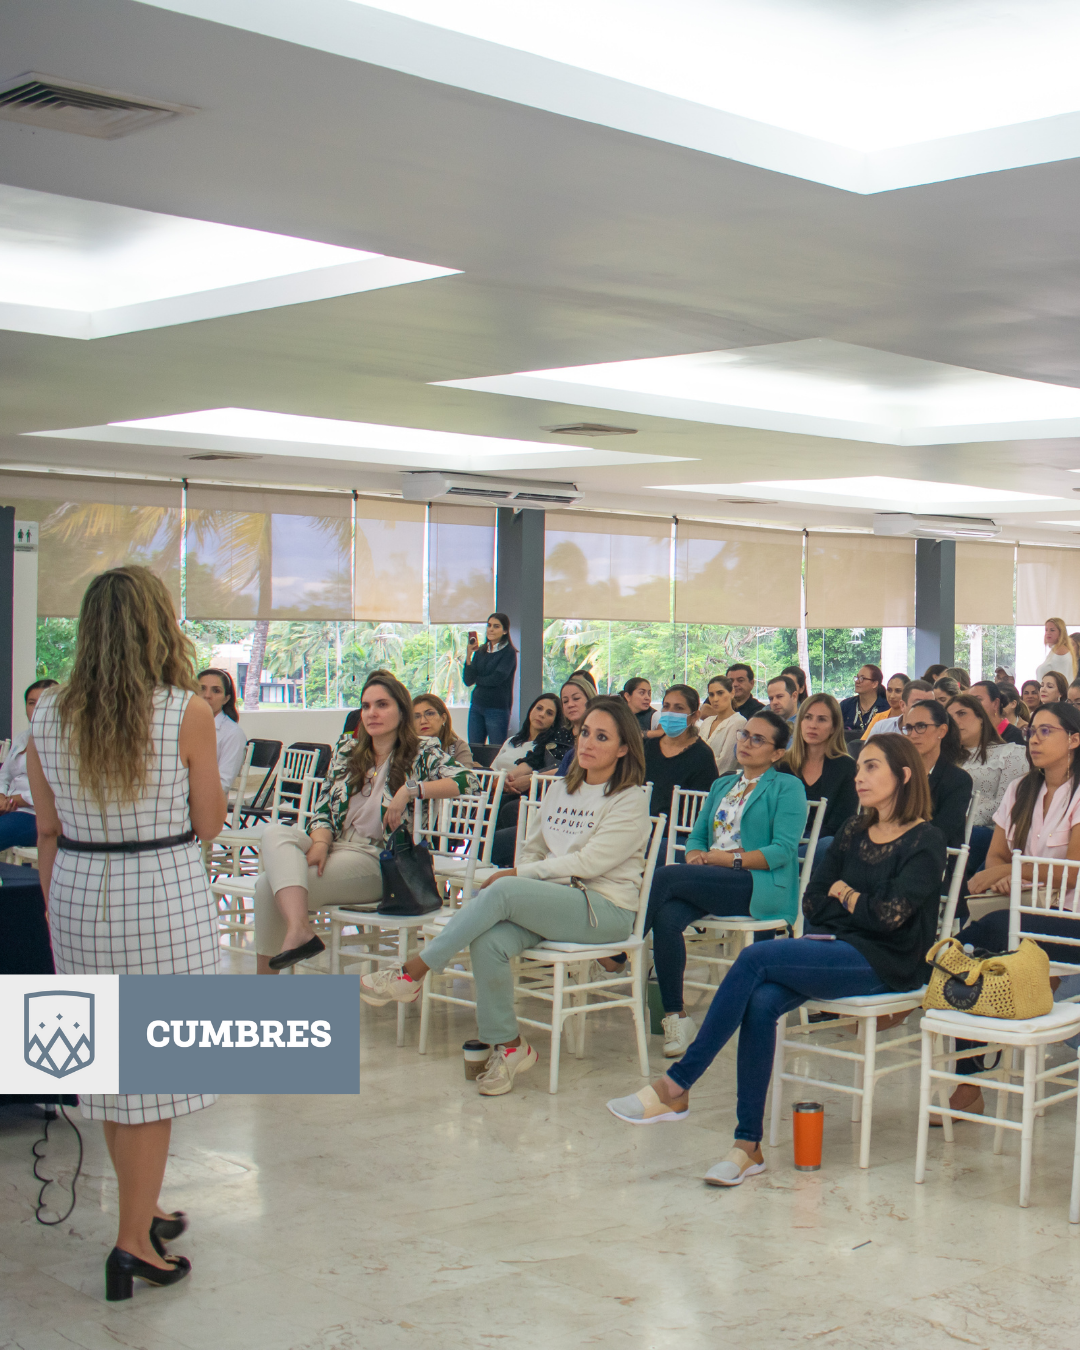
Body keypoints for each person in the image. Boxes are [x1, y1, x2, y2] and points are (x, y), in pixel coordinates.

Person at [606, 734, 945, 1188]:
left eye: (872, 768)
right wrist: (851, 899)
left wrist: (845, 894)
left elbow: (890, 919)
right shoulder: (852, 830)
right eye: (859, 767)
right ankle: (747, 1147)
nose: (860, 778)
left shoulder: (926, 839)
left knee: (754, 958)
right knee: (762, 1001)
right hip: (836, 947)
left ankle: (677, 1085)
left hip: (889, 963)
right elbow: (813, 901)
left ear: (903, 776)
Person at [26, 566, 227, 1300]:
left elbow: (45, 827)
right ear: (158, 625)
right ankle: (131, 1243)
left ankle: (142, 1210)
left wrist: (57, 909)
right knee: (154, 1078)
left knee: (110, 1073)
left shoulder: (47, 712)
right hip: (160, 892)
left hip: (78, 890)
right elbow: (209, 823)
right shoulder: (185, 712)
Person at [358, 697, 651, 1096]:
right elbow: (533, 847)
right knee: (490, 940)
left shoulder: (630, 797)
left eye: (602, 737)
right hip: (554, 900)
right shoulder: (563, 788)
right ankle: (510, 1046)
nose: (587, 743)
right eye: (584, 732)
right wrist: (527, 874)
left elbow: (591, 861)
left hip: (603, 909)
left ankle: (412, 972)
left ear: (623, 748)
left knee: (507, 887)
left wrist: (521, 876)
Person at [253, 670, 476, 972]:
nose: (372, 713)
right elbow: (322, 807)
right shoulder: (347, 750)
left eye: (382, 705)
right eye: (366, 706)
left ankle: (278, 962)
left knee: (268, 886)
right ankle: (299, 931)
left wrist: (411, 790)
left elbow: (468, 781)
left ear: (401, 710)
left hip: (379, 859)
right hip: (334, 844)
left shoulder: (422, 750)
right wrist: (320, 842)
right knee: (274, 832)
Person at [941, 701, 1080, 1120]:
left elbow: (1070, 873)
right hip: (1024, 915)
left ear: (1074, 740)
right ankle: (970, 1077)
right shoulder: (1021, 788)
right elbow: (993, 858)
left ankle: (969, 1077)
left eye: (1046, 732)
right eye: (1032, 731)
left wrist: (1012, 872)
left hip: (1071, 922)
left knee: (982, 937)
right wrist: (1009, 872)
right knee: (984, 946)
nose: (1033, 739)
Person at [639, 710, 806, 1058]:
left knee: (664, 876)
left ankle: (620, 946)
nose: (746, 742)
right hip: (713, 877)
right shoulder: (723, 784)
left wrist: (729, 859)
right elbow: (698, 836)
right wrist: (697, 855)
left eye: (757, 739)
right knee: (668, 915)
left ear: (777, 753)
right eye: (745, 734)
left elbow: (783, 850)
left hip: (755, 881)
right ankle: (676, 1015)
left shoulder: (788, 787)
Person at [946, 693, 1028, 874]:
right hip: (950, 829)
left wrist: (964, 820)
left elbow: (1008, 803)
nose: (955, 722)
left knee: (966, 837)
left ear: (981, 717)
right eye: (949, 718)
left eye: (961, 714)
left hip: (989, 832)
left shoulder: (1010, 753)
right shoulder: (945, 760)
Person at [778, 693, 857, 856]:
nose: (812, 725)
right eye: (808, 717)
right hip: (782, 841)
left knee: (829, 844)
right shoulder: (782, 764)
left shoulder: (846, 767)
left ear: (834, 727)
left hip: (822, 843)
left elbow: (842, 824)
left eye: (822, 719)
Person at [900, 698, 972, 847]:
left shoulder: (958, 780)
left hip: (935, 858)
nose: (913, 735)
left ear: (942, 731)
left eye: (921, 726)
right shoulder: (898, 773)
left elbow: (941, 832)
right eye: (908, 728)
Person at [643, 684, 718, 821]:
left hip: (678, 832)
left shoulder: (702, 756)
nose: (670, 712)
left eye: (679, 708)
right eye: (666, 706)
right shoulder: (650, 747)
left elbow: (701, 808)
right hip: (643, 826)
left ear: (694, 716)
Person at [0, 679, 58, 851]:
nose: (36, 709)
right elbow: (4, 775)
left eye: (43, 703)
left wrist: (14, 800)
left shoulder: (65, 743)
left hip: (38, 816)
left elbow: (56, 790)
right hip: (8, 809)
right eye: (31, 703)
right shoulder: (22, 738)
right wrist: (1, 796)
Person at [462, 612, 517, 745]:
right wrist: (469, 656)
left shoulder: (509, 652)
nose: (491, 629)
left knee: (496, 749)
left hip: (497, 708)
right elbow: (468, 680)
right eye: (489, 625)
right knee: (474, 748)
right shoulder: (481, 651)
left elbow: (496, 679)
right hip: (477, 705)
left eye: (496, 626)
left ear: (505, 631)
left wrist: (477, 679)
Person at [197, 668, 248, 790]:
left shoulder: (232, 733)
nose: (207, 695)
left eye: (216, 691)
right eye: (202, 688)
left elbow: (223, 783)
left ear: (226, 699)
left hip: (207, 802)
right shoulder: (184, 725)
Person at [697, 675, 746, 775]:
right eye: (711, 694)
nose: (715, 699)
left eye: (720, 693)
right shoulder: (707, 722)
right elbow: (695, 753)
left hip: (723, 782)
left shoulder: (739, 722)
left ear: (732, 693)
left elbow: (726, 763)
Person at [412, 693, 476, 768]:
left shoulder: (457, 747)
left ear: (443, 718)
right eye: (416, 717)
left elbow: (465, 777)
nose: (423, 721)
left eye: (429, 714)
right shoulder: (403, 748)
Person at [866, 678, 935, 738]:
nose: (925, 708)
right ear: (902, 705)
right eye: (918, 703)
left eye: (930, 704)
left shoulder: (937, 730)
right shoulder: (881, 728)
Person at [970, 679, 1026, 745]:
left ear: (995, 703)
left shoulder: (1017, 737)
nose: (972, 705)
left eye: (978, 700)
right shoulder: (971, 736)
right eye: (969, 701)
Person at [840, 664, 888, 736]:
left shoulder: (886, 708)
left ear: (874, 684)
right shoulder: (845, 705)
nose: (857, 681)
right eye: (857, 678)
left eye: (862, 678)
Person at [861, 671, 907, 738]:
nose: (892, 696)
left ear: (907, 693)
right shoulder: (878, 718)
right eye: (889, 690)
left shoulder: (912, 718)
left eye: (898, 691)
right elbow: (865, 743)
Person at [1036, 617, 1079, 683]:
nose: (1048, 633)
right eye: (1046, 630)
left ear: (1061, 632)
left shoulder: (1060, 651)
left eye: (1052, 630)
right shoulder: (1055, 650)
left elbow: (1062, 681)